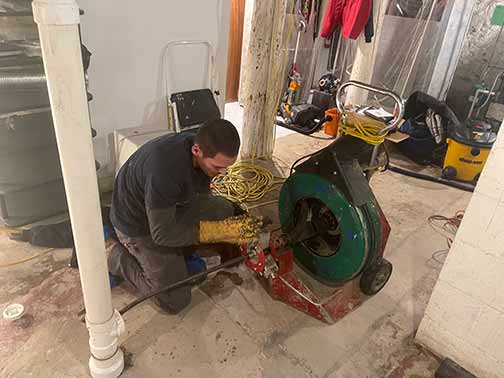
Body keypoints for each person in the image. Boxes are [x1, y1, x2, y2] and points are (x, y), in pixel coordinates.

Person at [108, 119, 261, 313]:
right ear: (197, 151)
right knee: (174, 299)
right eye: (217, 167)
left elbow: (203, 192)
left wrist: (235, 217)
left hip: (165, 206)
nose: (223, 173)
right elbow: (161, 234)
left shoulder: (202, 148)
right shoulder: (165, 171)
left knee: (223, 209)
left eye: (227, 168)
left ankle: (185, 248)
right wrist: (213, 231)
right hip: (137, 224)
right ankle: (118, 258)